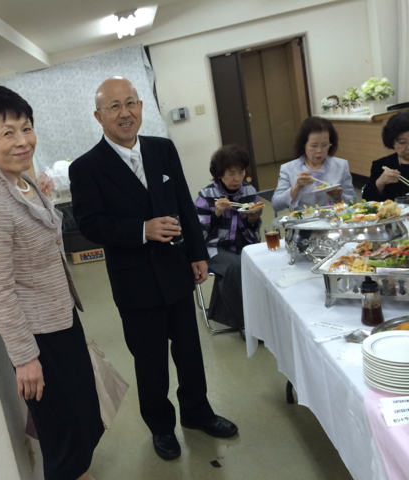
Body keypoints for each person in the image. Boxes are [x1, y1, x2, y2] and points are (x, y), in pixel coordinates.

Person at [69, 77, 237, 462]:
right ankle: (161, 426)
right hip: (135, 282)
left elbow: (183, 203)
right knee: (150, 362)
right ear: (98, 116)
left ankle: (197, 412)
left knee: (190, 352)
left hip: (176, 269)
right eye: (114, 106)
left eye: (131, 103)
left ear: (142, 107)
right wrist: (141, 230)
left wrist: (198, 254)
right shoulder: (87, 167)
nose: (125, 113)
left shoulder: (162, 149)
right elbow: (90, 224)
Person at [0, 85, 103, 480]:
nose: (23, 141)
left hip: (63, 319)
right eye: (8, 133)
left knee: (82, 419)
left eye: (26, 128)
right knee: (62, 435)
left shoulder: (24, 184)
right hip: (39, 339)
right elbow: (1, 292)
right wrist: (26, 359)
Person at [194, 145, 262, 331]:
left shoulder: (249, 191)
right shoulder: (206, 195)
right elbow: (197, 233)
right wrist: (215, 215)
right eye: (231, 173)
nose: (237, 178)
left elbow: (254, 228)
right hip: (216, 247)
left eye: (241, 172)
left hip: (245, 244)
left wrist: (253, 219)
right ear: (219, 174)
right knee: (235, 267)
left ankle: (259, 314)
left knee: (263, 262)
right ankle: (247, 324)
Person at [272, 116, 357, 213]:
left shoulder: (341, 165)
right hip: (303, 221)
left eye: (324, 145)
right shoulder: (288, 169)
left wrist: (339, 197)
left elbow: (352, 201)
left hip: (333, 219)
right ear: (304, 145)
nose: (319, 150)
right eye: (314, 146)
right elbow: (276, 205)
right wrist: (296, 187)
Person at [362, 111, 409, 201]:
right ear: (392, 142)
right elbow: (367, 200)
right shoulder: (382, 165)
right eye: (402, 142)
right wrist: (380, 182)